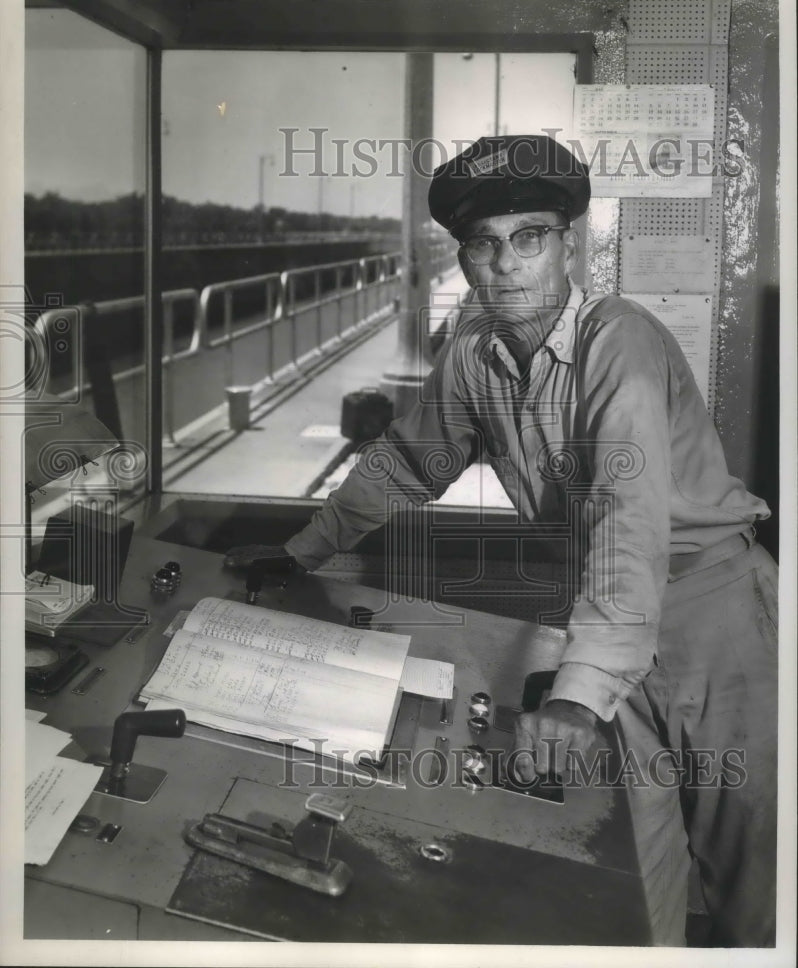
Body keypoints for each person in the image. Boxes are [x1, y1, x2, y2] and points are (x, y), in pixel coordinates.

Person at [225, 135, 778, 947]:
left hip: (716, 616)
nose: (507, 264)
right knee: (637, 886)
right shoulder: (475, 357)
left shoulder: (617, 340)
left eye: (530, 238)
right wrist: (304, 550)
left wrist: (576, 693)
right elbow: (405, 465)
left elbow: (628, 522)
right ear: (465, 258)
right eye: (484, 245)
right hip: (603, 618)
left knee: (758, 897)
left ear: (568, 245)